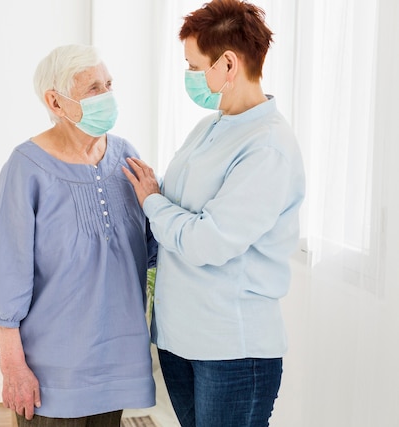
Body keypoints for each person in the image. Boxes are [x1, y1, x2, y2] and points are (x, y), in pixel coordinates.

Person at [122, 1, 306, 426]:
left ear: (227, 63)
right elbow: (178, 210)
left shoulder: (268, 146)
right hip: (181, 339)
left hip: (232, 350)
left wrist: (151, 200)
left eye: (194, 66)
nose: (190, 77)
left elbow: (209, 240)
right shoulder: (209, 127)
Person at [0, 44, 156, 427]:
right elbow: (6, 275)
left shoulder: (127, 157)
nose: (107, 96)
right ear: (56, 102)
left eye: (109, 84)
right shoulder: (25, 168)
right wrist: (12, 366)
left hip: (118, 366)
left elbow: (150, 249)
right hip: (53, 376)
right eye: (94, 88)